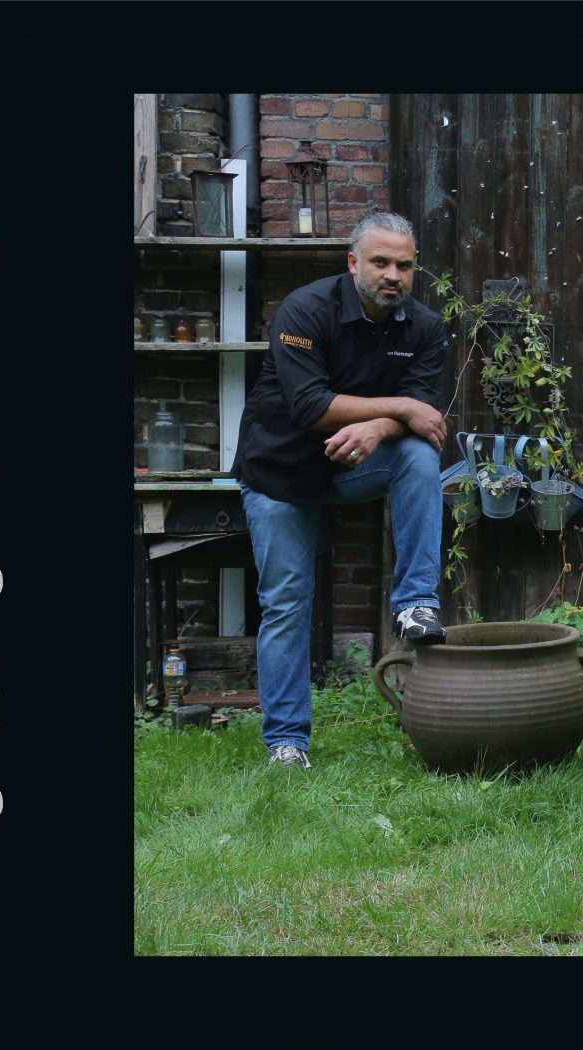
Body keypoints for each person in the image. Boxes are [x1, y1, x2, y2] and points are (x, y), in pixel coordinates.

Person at [234, 208, 450, 769]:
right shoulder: (305, 309)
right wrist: (399, 408)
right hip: (280, 473)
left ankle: (416, 604)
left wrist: (381, 426)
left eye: (404, 266)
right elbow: (309, 406)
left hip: (354, 466)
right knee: (286, 603)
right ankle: (287, 742)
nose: (393, 276)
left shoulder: (425, 327)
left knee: (419, 456)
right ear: (353, 263)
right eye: (380, 262)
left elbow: (424, 419)